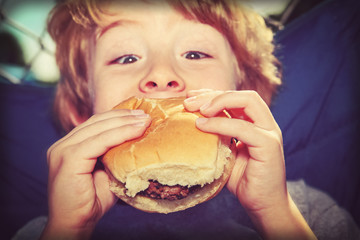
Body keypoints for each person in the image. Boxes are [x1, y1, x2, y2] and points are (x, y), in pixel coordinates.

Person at [13, 0, 359, 239]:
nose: (162, 75)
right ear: (83, 116)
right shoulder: (49, 227)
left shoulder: (303, 210)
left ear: (243, 104)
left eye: (195, 53)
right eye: (126, 57)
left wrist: (274, 213)